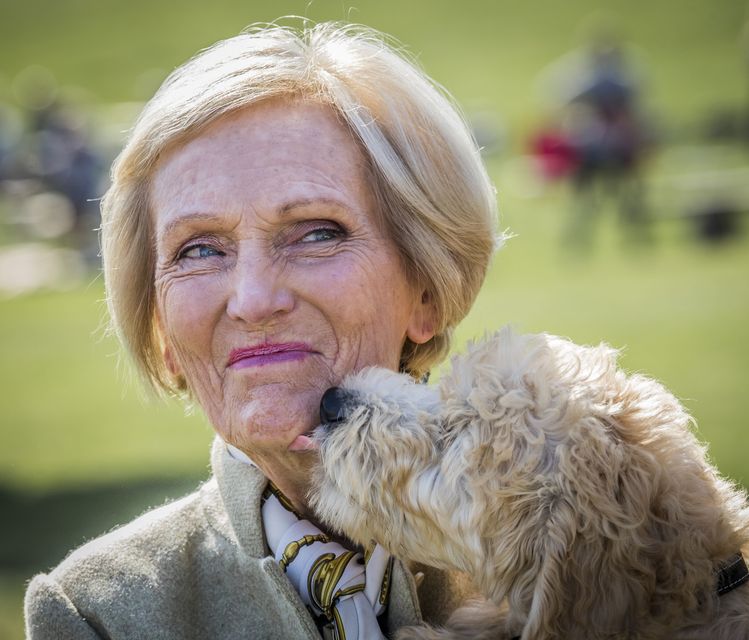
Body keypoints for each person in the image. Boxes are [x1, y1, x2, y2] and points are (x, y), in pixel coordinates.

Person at [24, 22, 498, 639]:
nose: (252, 300)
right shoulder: (98, 616)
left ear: (427, 290)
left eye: (316, 232)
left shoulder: (565, 554)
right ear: (161, 330)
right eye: (198, 250)